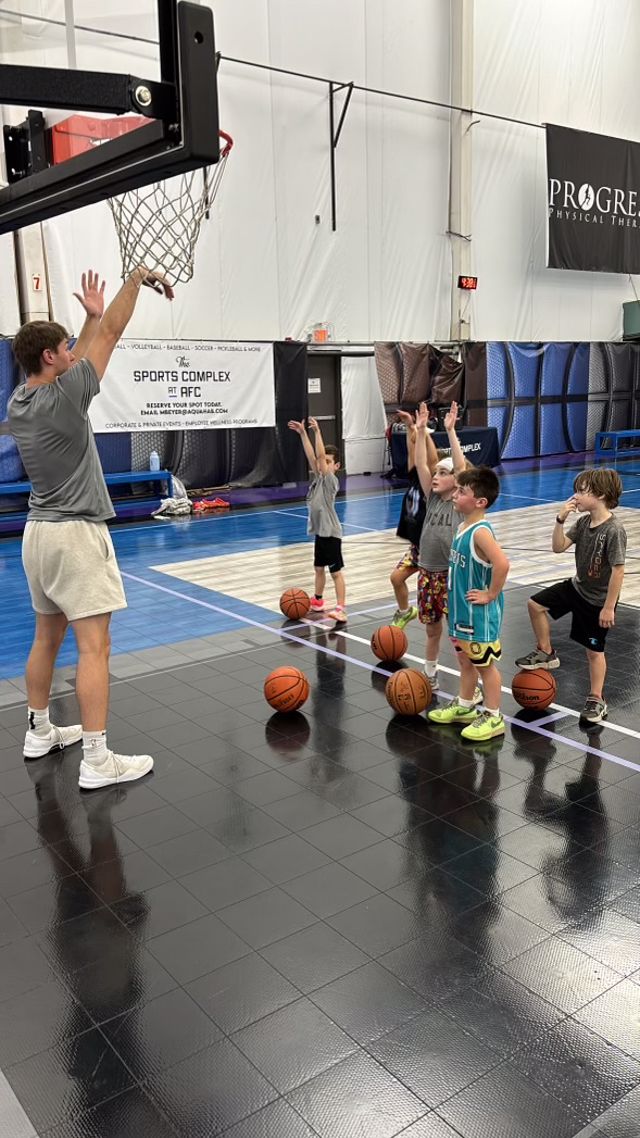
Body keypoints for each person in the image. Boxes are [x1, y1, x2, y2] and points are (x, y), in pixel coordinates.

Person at [9, 265, 173, 789]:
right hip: (75, 536)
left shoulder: (20, 401)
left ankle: (39, 731)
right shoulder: (67, 396)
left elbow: (82, 347)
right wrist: (135, 280)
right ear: (49, 357)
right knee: (94, 647)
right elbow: (112, 335)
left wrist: (86, 320)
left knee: (45, 637)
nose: (73, 352)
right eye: (65, 348)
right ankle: (98, 760)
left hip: (37, 534)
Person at [515, 467, 626, 725]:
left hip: (597, 601)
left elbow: (618, 571)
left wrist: (609, 607)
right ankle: (546, 652)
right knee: (535, 604)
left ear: (599, 494)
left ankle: (596, 699)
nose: (575, 496)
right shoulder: (583, 523)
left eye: (581, 491)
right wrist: (559, 520)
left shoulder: (614, 529)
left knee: (594, 652)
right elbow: (558, 547)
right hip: (577, 588)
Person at [428, 466, 510, 741]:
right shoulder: (463, 526)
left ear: (480, 502)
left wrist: (490, 594)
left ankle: (494, 716)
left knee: (486, 667)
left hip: (479, 615)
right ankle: (465, 706)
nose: (455, 494)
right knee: (465, 661)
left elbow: (502, 564)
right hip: (460, 611)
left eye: (462, 491)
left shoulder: (480, 532)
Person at [413, 401, 473, 692]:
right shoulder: (433, 497)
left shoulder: (460, 503)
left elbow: (461, 468)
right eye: (435, 473)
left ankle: (469, 683)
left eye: (442, 473)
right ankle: (430, 673)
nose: (435, 476)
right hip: (427, 572)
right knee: (431, 629)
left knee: (457, 634)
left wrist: (450, 431)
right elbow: (420, 464)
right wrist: (420, 431)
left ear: (457, 482)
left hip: (451, 576)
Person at [287, 416, 346, 622]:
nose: (323, 464)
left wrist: (317, 432)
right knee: (318, 568)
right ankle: (318, 600)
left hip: (331, 533)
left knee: (335, 572)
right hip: (321, 533)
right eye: (324, 462)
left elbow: (319, 456)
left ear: (336, 465)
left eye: (328, 462)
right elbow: (312, 456)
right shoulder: (319, 478)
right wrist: (303, 433)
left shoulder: (330, 480)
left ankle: (341, 607)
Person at [389, 410, 425, 631]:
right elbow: (413, 454)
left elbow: (421, 457)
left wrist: (418, 431)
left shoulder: (431, 488)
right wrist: (410, 427)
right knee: (396, 578)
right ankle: (405, 611)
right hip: (417, 548)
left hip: (435, 551)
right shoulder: (415, 480)